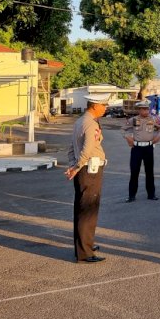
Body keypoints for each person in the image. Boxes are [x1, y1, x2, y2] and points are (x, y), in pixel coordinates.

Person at [65, 94, 110, 264]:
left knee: (82, 209)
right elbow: (87, 149)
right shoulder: (90, 123)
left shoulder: (81, 121)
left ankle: (86, 245)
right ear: (95, 106)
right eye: (104, 105)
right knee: (88, 211)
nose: (106, 108)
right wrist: (76, 167)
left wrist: (73, 165)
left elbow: (72, 146)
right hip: (90, 170)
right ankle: (84, 253)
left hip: (84, 169)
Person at [121, 99, 160, 203]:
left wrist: (158, 136)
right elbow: (123, 129)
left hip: (148, 148)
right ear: (139, 110)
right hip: (136, 149)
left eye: (147, 109)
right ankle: (131, 196)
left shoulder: (154, 119)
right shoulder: (133, 120)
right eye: (143, 109)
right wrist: (127, 137)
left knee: (149, 172)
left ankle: (151, 194)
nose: (145, 111)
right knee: (134, 172)